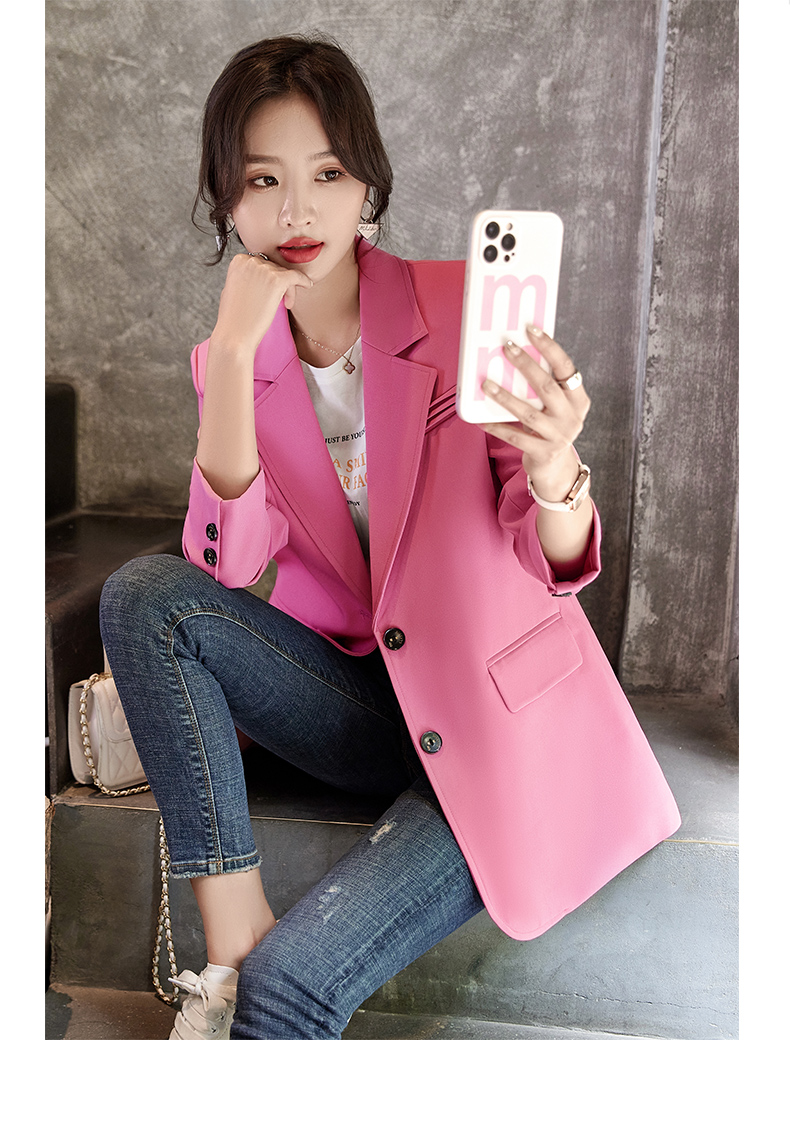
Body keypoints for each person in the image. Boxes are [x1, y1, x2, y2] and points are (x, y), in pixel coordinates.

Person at [99, 35, 680, 1040]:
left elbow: (555, 559)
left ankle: (251, 987)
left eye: (327, 174)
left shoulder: (462, 310)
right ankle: (230, 940)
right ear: (226, 201)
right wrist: (232, 356)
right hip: (363, 708)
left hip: (492, 727)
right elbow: (229, 564)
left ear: (367, 184)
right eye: (263, 180)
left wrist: (554, 462)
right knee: (145, 597)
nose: (297, 211)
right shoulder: (230, 360)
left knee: (289, 993)